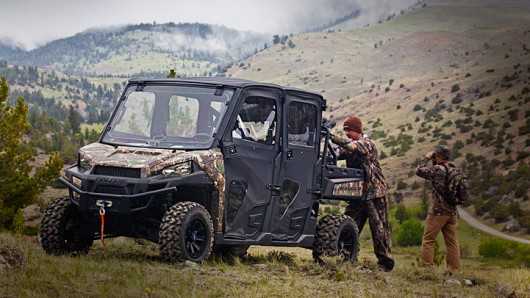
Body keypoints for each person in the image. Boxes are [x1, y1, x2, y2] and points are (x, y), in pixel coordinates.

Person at [331, 116, 395, 272]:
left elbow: (353, 147)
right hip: (358, 194)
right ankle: (345, 257)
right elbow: (337, 153)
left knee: (379, 229)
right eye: (345, 131)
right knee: (349, 224)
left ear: (357, 130)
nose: (347, 134)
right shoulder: (352, 144)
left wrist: (332, 137)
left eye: (349, 131)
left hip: (375, 193)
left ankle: (385, 263)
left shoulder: (367, 144)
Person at [416, 145, 461, 273]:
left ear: (439, 156)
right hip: (452, 211)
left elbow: (419, 170)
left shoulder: (438, 170)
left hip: (438, 210)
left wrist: (426, 158)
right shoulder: (454, 169)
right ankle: (454, 269)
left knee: (428, 240)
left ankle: (427, 269)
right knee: (452, 242)